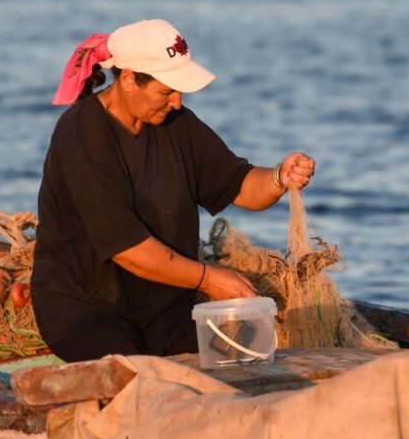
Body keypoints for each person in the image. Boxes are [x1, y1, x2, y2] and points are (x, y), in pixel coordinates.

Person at [31, 19, 314, 362]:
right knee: (141, 387)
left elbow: (239, 186)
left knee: (233, 380)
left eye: (180, 90)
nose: (177, 102)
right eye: (167, 91)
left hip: (165, 313)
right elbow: (128, 249)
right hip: (87, 311)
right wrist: (210, 280)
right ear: (130, 79)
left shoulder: (175, 123)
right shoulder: (81, 134)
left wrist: (279, 178)